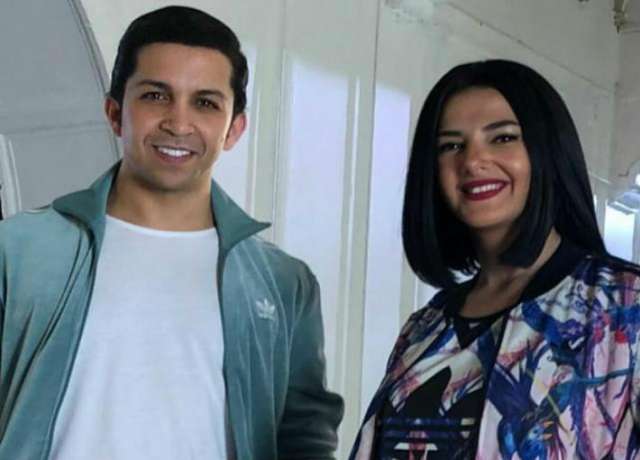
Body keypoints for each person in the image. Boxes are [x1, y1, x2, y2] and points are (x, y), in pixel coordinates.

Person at [0, 6, 343, 459]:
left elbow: (305, 438)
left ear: (234, 128)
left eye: (205, 103)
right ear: (114, 111)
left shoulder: (283, 284)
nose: (178, 124)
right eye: (156, 96)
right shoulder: (17, 252)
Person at [351, 60, 640, 459]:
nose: (472, 161)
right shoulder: (424, 328)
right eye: (451, 145)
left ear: (546, 152)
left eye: (503, 137)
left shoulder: (626, 306)